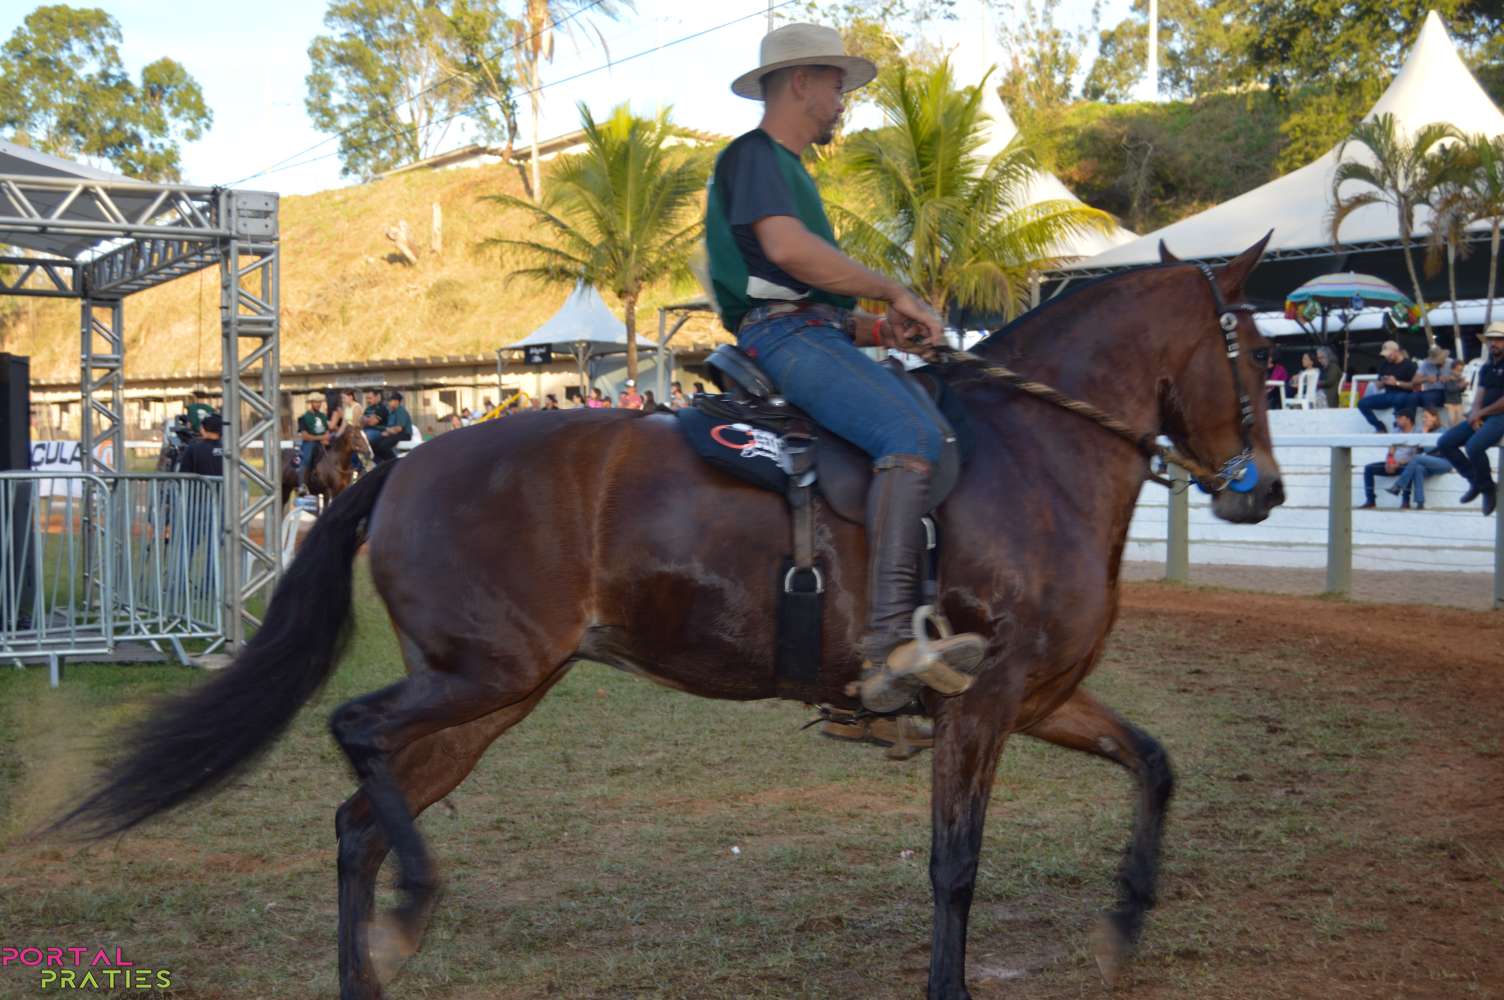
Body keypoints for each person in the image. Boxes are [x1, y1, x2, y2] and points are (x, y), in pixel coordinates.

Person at [705, 22, 983, 712]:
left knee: (927, 423)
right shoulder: (756, 156)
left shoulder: (790, 172)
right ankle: (887, 646)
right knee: (909, 435)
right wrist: (892, 291)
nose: (841, 102)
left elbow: (810, 297)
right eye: (836, 87)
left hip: (808, 331)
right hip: (784, 337)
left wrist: (885, 328)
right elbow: (788, 252)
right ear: (800, 83)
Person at [1437, 322, 1504, 516]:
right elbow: (1480, 394)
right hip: (1484, 414)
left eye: (1499, 339)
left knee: (1474, 447)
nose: (1494, 343)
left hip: (1500, 416)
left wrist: (1480, 413)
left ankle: (1487, 488)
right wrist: (1475, 413)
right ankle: (1476, 481)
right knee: (1445, 442)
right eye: (1491, 339)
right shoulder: (1487, 367)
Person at [1358, 410, 1421, 509]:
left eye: (1399, 417)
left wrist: (1400, 463)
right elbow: (1391, 450)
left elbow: (1416, 455)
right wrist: (1389, 461)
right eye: (1396, 417)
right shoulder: (1396, 431)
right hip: (1393, 464)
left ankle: (1405, 502)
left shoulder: (1417, 432)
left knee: (1408, 469)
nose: (1397, 420)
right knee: (1368, 468)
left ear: (1408, 419)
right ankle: (1370, 500)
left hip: (1406, 464)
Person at [1387, 410, 1450, 509]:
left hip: (1444, 462)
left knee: (1417, 459)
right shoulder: (1425, 431)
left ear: (1434, 418)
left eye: (1426, 417)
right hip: (1429, 463)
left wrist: (1424, 433)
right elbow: (1418, 451)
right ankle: (1420, 502)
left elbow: (1429, 449)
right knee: (1418, 468)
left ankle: (1398, 486)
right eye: (1422, 417)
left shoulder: (1442, 430)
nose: (1423, 420)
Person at [1357, 340, 1419, 432]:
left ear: (1396, 351)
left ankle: (1398, 425)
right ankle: (1379, 426)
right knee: (1362, 403)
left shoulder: (1409, 365)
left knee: (1398, 399)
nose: (1387, 357)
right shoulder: (1385, 364)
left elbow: (1415, 386)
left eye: (1389, 355)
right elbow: (1378, 385)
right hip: (1388, 394)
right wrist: (1383, 381)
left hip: (1403, 394)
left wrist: (1397, 383)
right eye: (1385, 355)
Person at [296, 395, 330, 494]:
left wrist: (326, 438)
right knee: (306, 458)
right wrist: (321, 438)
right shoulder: (304, 418)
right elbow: (305, 436)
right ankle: (301, 484)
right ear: (311, 403)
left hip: (323, 442)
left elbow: (327, 432)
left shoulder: (323, 416)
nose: (318, 404)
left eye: (320, 402)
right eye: (316, 402)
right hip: (309, 443)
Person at [176, 412, 224, 476]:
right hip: (226, 483)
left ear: (202, 429)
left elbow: (183, 475)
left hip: (199, 482)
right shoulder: (229, 450)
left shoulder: (193, 449)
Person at [1411, 346, 1452, 418]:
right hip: (1429, 391)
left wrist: (1448, 379)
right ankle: (1409, 421)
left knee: (1428, 398)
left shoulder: (1451, 363)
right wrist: (1426, 379)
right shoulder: (1426, 364)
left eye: (1439, 360)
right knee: (1412, 397)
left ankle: (1432, 421)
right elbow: (1414, 380)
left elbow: (1460, 378)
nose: (1438, 363)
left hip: (1447, 391)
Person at [372, 391, 413, 464]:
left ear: (397, 401)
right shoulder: (392, 412)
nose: (388, 403)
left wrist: (388, 432)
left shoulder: (400, 411)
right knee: (374, 445)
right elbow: (390, 427)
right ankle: (382, 464)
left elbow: (399, 428)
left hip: (404, 434)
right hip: (393, 434)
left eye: (390, 401)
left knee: (383, 446)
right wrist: (386, 432)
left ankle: (395, 463)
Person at [361, 389, 387, 454]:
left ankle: (366, 458)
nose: (368, 400)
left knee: (363, 439)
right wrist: (368, 419)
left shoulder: (381, 408)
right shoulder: (368, 408)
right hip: (366, 430)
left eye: (370, 398)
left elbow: (372, 423)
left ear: (377, 397)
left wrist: (365, 419)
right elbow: (361, 422)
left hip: (378, 431)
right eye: (367, 398)